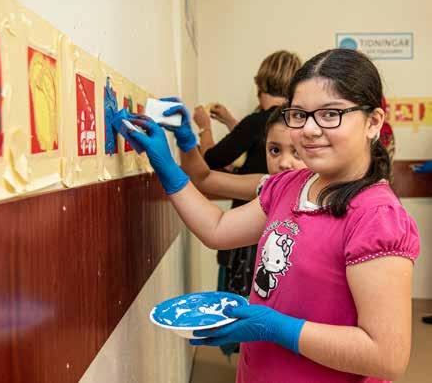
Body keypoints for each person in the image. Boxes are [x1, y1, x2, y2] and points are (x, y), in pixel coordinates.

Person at [121, 48, 420, 382]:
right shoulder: (290, 185)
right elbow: (218, 228)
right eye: (299, 114)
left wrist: (276, 328)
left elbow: (386, 356)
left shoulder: (376, 216)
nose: (309, 129)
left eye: (330, 114)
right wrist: (167, 169)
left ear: (373, 122)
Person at [192, 51, 302, 332]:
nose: (285, 164)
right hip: (271, 234)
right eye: (274, 150)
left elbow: (210, 163)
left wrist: (204, 128)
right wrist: (232, 121)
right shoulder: (293, 128)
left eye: (297, 153)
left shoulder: (258, 124)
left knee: (249, 311)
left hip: (251, 237)